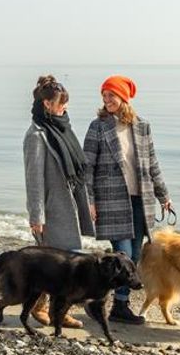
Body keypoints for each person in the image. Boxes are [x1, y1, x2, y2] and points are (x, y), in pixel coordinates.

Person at [83, 75, 172, 324]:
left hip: (140, 201)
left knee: (133, 257)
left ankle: (119, 307)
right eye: (104, 96)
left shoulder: (142, 126)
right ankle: (96, 301)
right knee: (121, 255)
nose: (107, 100)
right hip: (111, 201)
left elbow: (152, 163)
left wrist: (163, 195)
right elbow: (86, 166)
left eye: (111, 95)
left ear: (124, 97)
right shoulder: (98, 126)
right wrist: (89, 200)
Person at [24, 74, 95, 328]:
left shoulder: (63, 129)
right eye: (61, 102)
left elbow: (77, 171)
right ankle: (49, 310)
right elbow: (34, 180)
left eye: (65, 102)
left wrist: (88, 204)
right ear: (47, 105)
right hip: (53, 211)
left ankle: (48, 308)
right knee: (58, 266)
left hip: (70, 205)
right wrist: (37, 216)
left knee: (65, 264)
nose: (65, 107)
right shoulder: (37, 135)